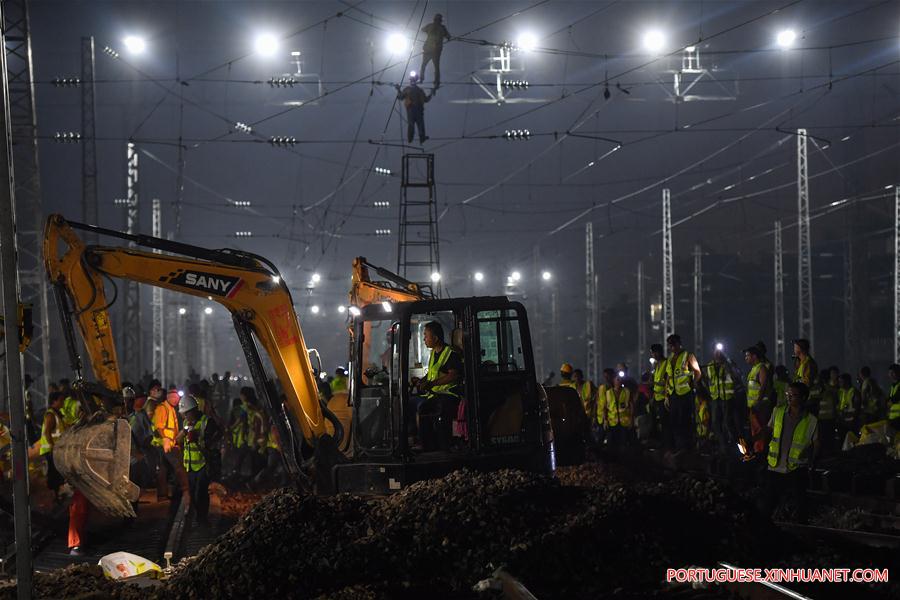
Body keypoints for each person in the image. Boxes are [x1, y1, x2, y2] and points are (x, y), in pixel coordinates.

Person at [761, 382, 818, 523]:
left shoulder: (811, 420)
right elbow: (769, 429)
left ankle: (801, 531)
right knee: (768, 502)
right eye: (788, 394)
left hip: (797, 468)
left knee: (800, 504)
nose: (789, 397)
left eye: (793, 395)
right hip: (775, 466)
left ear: (803, 397)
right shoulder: (778, 412)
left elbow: (817, 443)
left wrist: (812, 463)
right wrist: (756, 439)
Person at [410, 321, 462, 449]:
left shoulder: (450, 353)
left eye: (426, 336)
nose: (424, 339)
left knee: (424, 408)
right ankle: (419, 440)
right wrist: (421, 380)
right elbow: (433, 373)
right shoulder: (434, 352)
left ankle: (433, 446)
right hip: (435, 394)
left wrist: (431, 384)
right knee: (410, 402)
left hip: (450, 395)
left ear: (435, 338)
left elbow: (453, 375)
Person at [176, 394, 220, 525]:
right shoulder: (186, 423)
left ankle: (202, 518)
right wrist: (184, 432)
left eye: (186, 414)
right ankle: (199, 515)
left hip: (203, 463)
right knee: (193, 493)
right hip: (190, 466)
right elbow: (177, 441)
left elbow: (212, 446)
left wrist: (197, 441)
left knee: (200, 492)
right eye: (183, 414)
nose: (184, 417)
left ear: (194, 410)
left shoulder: (207, 423)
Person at [665, 334, 701, 452]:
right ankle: (679, 446)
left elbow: (697, 372)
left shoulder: (688, 356)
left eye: (674, 344)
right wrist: (666, 396)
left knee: (685, 421)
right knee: (674, 421)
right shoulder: (670, 359)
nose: (672, 347)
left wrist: (693, 384)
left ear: (679, 344)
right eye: (670, 345)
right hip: (673, 395)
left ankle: (688, 446)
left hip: (685, 394)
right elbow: (669, 378)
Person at [154, 389, 189, 503]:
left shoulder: (170, 408)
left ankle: (162, 495)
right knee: (178, 465)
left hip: (167, 442)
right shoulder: (162, 408)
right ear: (170, 398)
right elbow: (159, 426)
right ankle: (186, 490)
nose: (177, 400)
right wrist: (165, 439)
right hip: (166, 443)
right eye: (175, 398)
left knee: (163, 468)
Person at [706, 348, 736, 453]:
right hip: (715, 398)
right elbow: (711, 380)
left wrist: (726, 364)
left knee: (727, 423)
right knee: (715, 423)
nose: (718, 354)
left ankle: (735, 446)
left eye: (720, 352)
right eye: (716, 351)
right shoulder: (710, 366)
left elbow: (734, 376)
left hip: (727, 398)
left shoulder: (729, 363)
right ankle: (723, 446)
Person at [39, 391, 67, 502]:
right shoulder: (50, 415)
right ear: (54, 401)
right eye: (61, 400)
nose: (63, 402)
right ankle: (55, 498)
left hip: (55, 450)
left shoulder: (57, 413)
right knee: (54, 475)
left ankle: (58, 496)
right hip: (50, 450)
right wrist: (53, 447)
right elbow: (47, 432)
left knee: (57, 474)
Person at [744, 345, 771, 456]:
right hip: (753, 406)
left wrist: (757, 403)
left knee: (760, 430)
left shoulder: (761, 368)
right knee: (755, 430)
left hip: (760, 406)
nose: (746, 358)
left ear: (754, 356)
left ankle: (760, 453)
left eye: (747, 356)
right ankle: (756, 452)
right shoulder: (753, 370)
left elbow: (763, 387)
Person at [395, 74, 432, 145]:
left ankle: (417, 139)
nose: (412, 81)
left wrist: (398, 89)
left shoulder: (416, 90)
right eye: (412, 80)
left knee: (417, 125)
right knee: (416, 125)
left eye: (413, 80)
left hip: (415, 110)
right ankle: (415, 139)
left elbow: (400, 97)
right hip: (414, 110)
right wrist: (398, 89)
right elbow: (400, 97)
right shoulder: (413, 90)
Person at [419, 13, 451, 89]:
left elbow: (422, 30)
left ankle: (421, 79)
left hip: (428, 49)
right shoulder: (442, 28)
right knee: (436, 67)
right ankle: (436, 81)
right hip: (435, 50)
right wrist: (448, 37)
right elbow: (448, 36)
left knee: (424, 65)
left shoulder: (430, 26)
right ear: (440, 20)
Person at [604, 372, 633, 449]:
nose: (619, 381)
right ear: (613, 381)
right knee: (612, 443)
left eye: (620, 379)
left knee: (623, 443)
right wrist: (605, 420)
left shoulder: (627, 391)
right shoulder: (608, 392)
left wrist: (631, 419)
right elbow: (605, 407)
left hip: (624, 422)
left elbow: (631, 405)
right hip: (612, 422)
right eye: (617, 379)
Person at [649, 344, 670, 447]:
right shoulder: (657, 365)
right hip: (657, 397)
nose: (653, 355)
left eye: (653, 352)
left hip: (664, 398)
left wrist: (655, 384)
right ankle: (662, 442)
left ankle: (667, 444)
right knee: (659, 422)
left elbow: (667, 381)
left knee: (665, 423)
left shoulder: (666, 363)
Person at [836, 373, 860, 442]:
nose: (839, 383)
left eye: (841, 382)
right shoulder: (840, 392)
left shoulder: (854, 392)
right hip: (842, 423)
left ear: (847, 382)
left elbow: (857, 409)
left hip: (851, 423)